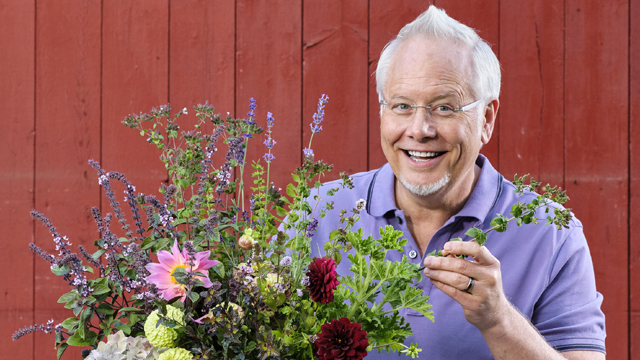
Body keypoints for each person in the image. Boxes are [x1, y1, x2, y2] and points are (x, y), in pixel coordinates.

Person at [308, 5, 606, 359]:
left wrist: (499, 322)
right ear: (382, 112)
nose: (419, 130)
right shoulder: (320, 214)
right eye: (402, 106)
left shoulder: (552, 235)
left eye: (445, 108)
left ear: (486, 119)